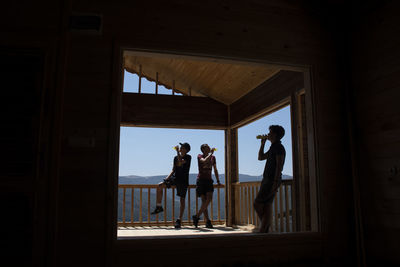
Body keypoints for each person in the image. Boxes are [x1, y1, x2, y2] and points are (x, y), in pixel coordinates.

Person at [151, 142, 191, 229]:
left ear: (186, 150)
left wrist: (177, 152)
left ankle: (179, 220)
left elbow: (181, 162)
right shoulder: (175, 158)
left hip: (183, 181)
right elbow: (173, 169)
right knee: (160, 186)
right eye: (180, 147)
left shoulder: (188, 157)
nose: (180, 148)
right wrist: (167, 178)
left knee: (182, 200)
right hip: (175, 178)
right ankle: (159, 206)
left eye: (182, 147)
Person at [253, 125, 286, 233]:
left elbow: (279, 166)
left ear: (275, 134)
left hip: (271, 180)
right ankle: (265, 228)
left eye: (270, 132)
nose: (268, 134)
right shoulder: (273, 147)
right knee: (266, 205)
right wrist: (262, 144)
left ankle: (264, 227)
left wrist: (275, 182)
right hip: (267, 178)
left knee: (257, 203)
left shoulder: (279, 148)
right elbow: (260, 157)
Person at [192, 144, 221, 228]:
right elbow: (204, 161)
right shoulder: (199, 156)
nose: (209, 148)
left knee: (209, 199)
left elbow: (215, 169)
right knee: (204, 201)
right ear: (203, 149)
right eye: (207, 148)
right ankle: (208, 221)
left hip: (209, 180)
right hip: (201, 180)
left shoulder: (213, 157)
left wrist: (218, 180)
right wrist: (211, 154)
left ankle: (197, 216)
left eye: (209, 147)